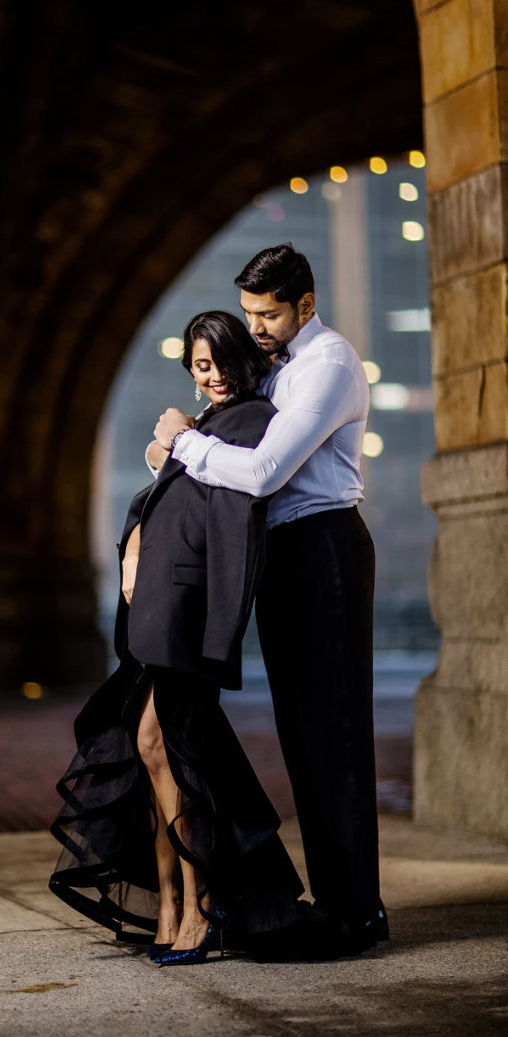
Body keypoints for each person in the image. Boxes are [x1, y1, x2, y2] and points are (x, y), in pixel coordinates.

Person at [153, 244, 388, 960]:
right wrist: (178, 443)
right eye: (249, 311)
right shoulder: (271, 368)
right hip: (281, 557)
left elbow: (258, 471)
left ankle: (355, 912)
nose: (254, 325)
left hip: (324, 548)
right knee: (301, 732)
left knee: (335, 732)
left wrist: (183, 445)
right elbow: (216, 434)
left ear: (304, 306)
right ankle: (335, 901)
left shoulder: (327, 366)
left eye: (268, 313)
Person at [49, 311, 305, 966]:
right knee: (155, 753)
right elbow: (155, 500)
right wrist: (135, 538)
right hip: (157, 608)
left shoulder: (247, 424)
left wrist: (176, 444)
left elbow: (234, 508)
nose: (212, 373)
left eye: (220, 360)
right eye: (200, 364)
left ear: (244, 363)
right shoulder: (203, 431)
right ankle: (171, 901)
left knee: (166, 748)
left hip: (187, 607)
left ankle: (197, 903)